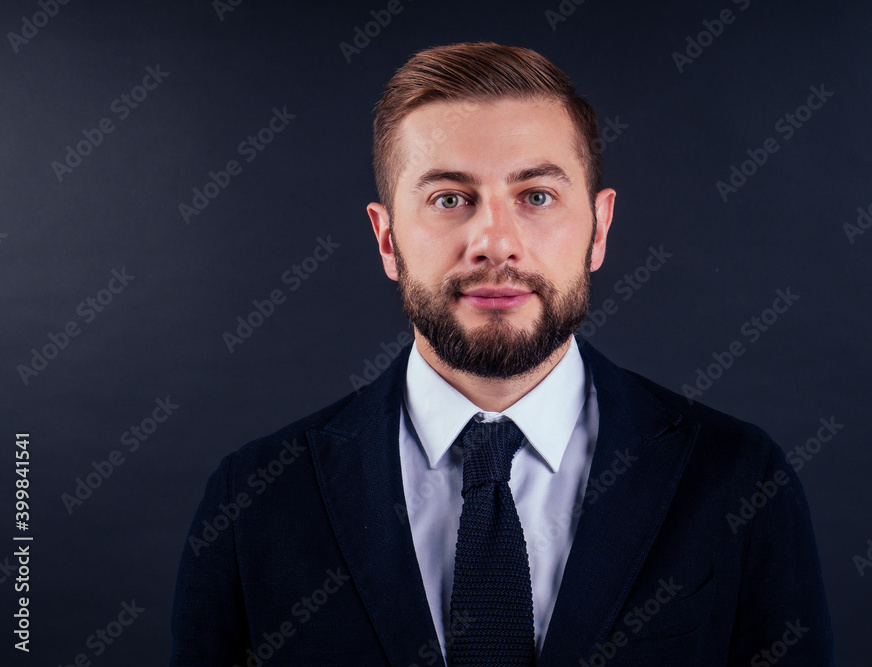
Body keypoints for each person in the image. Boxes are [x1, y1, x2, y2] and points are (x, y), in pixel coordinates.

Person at [170, 41, 835, 666]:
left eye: (537, 196)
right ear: (386, 238)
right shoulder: (254, 499)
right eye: (450, 198)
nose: (495, 241)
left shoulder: (740, 480)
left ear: (599, 229)